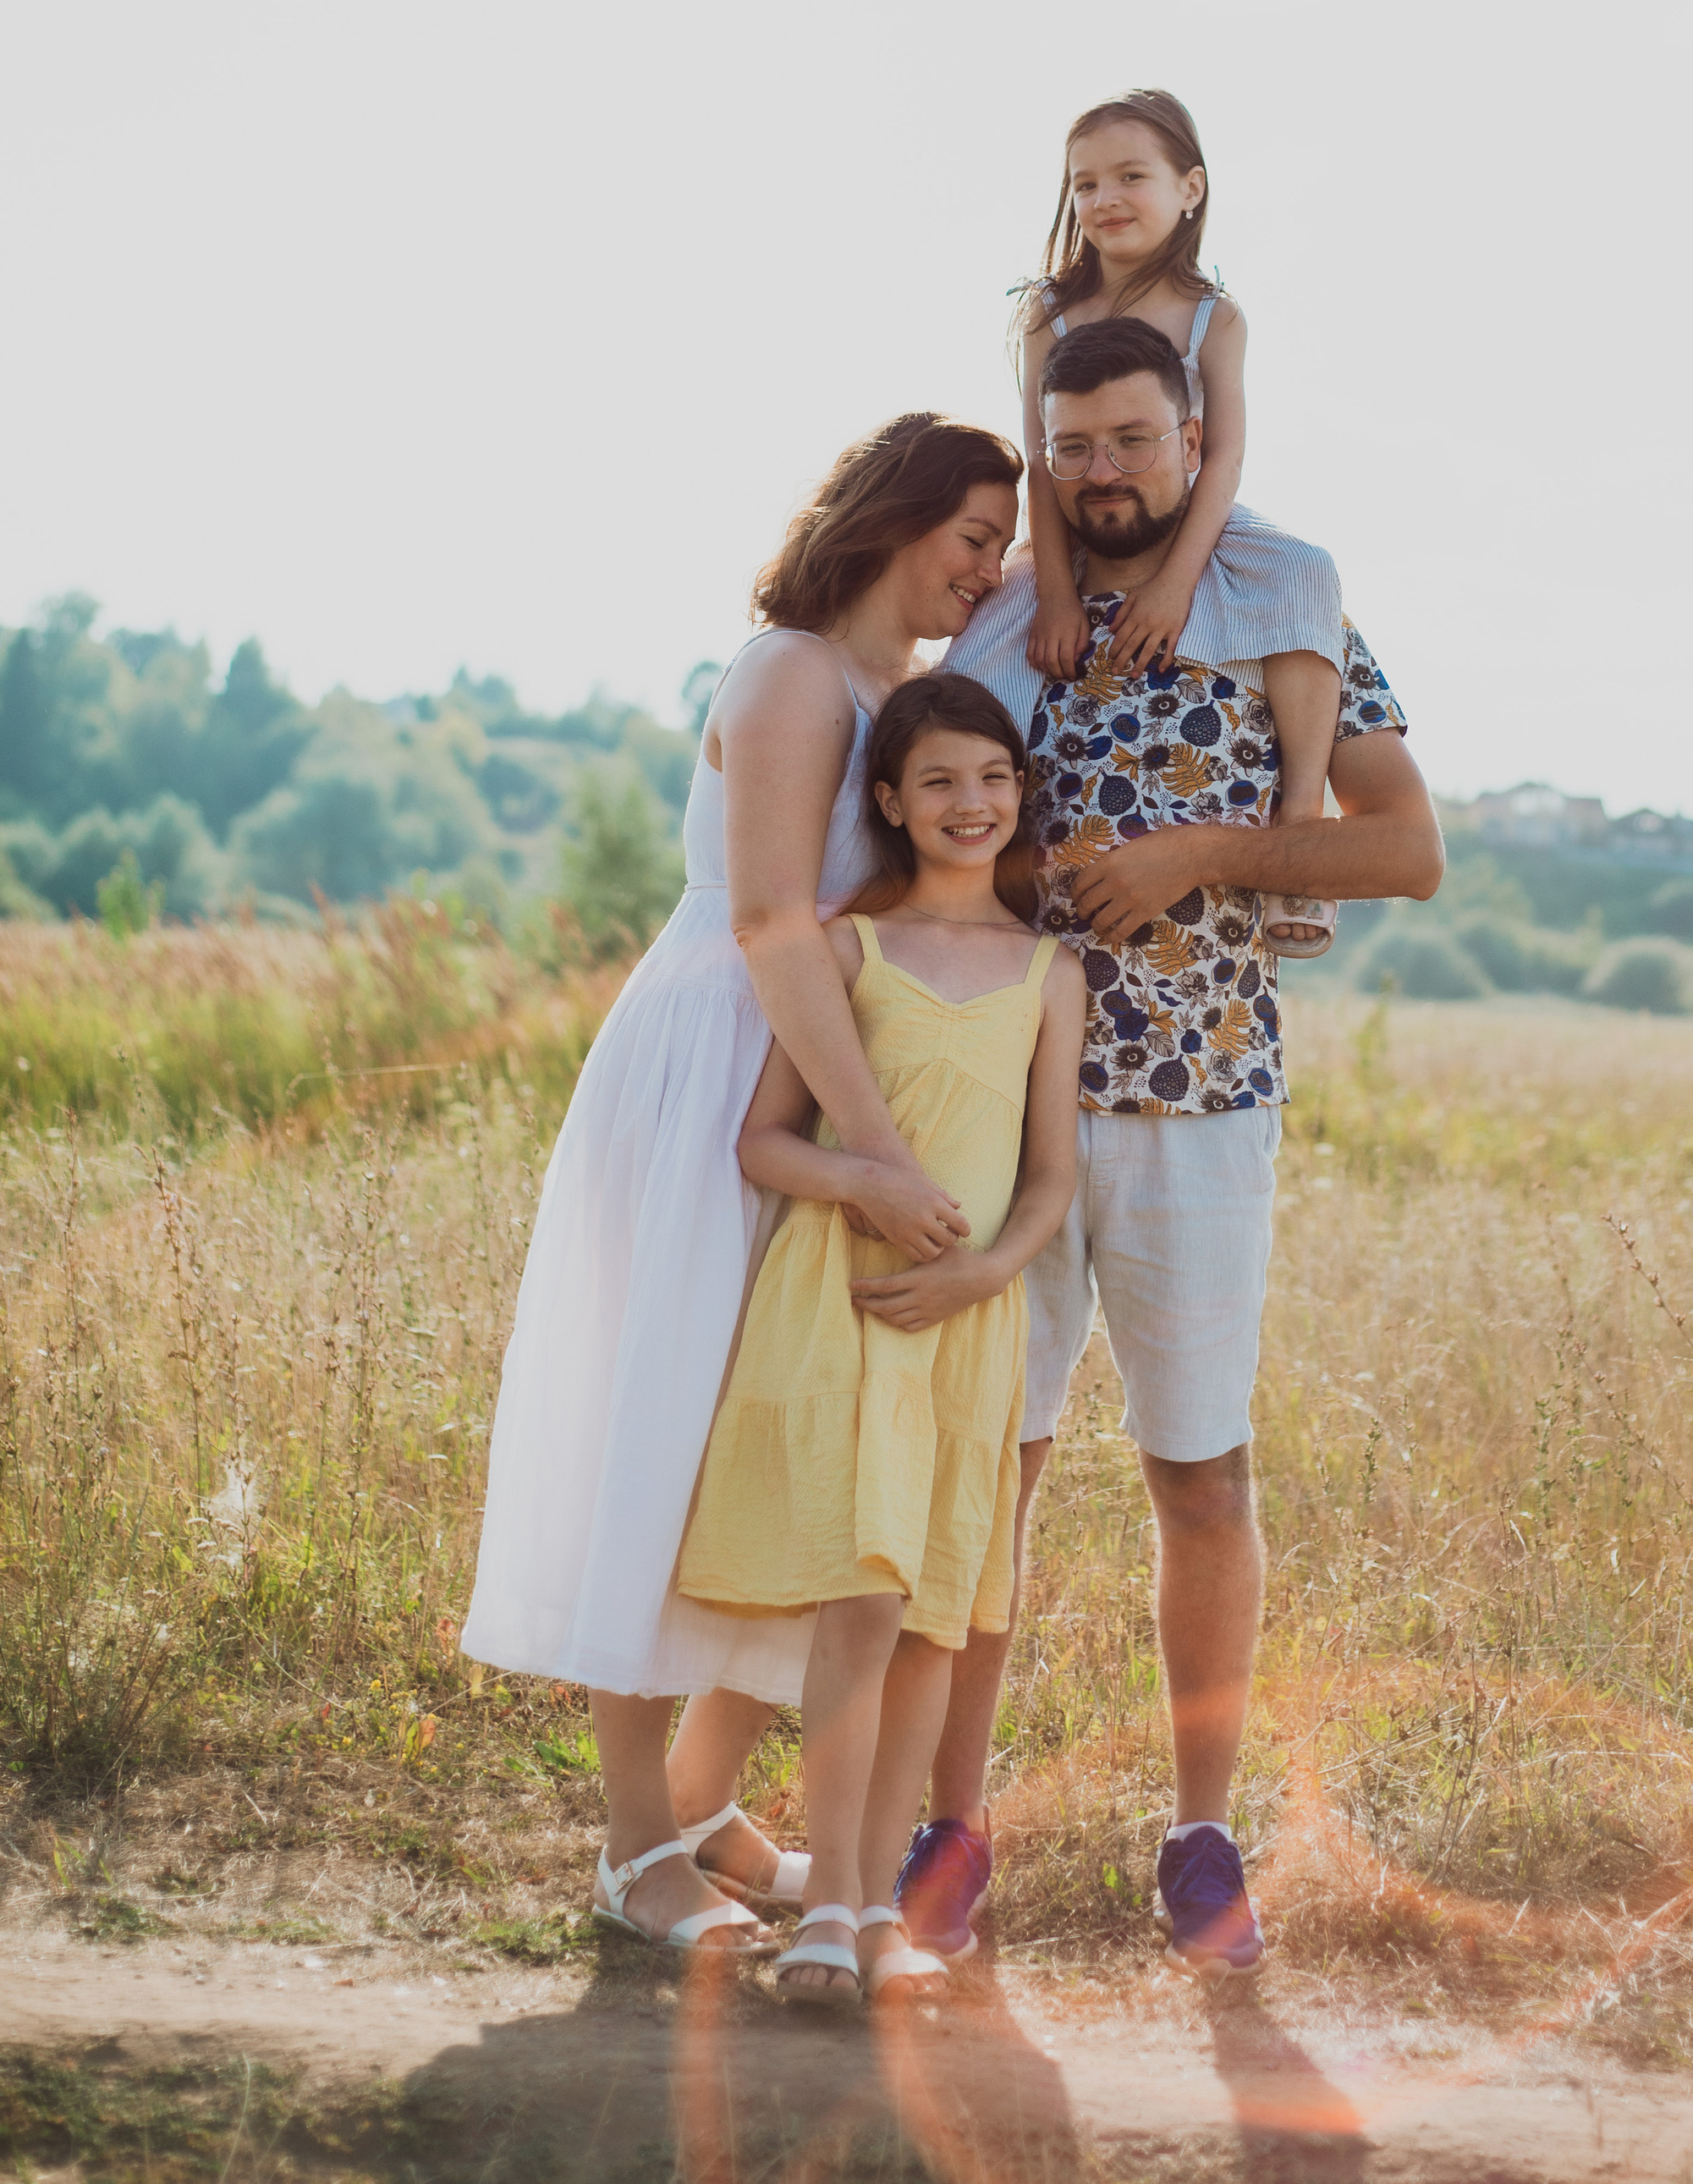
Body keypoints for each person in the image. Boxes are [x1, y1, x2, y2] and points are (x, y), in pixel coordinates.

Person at [919, 312, 1444, 1979]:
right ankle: (947, 1827)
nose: (1102, 472)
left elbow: (1406, 849)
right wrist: (1038, 882)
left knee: (1200, 1477)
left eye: (1133, 439)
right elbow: (917, 822)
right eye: (1073, 445)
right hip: (1004, 1106)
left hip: (1206, 1103)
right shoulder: (1003, 618)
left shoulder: (1279, 602)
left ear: (1193, 437)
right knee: (984, 1471)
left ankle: (1202, 1839)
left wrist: (1198, 853)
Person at [460, 414, 1022, 1952]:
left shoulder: (897, 694)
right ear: (898, 517)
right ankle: (635, 1846)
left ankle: (704, 1809)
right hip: (723, 1060)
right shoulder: (788, 671)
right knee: (665, 1431)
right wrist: (876, 1152)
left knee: (764, 1446)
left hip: (815, 1075)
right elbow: (774, 921)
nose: (988, 570)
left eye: (998, 544)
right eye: (974, 535)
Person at [676, 675, 1083, 2005]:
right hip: (845, 1308)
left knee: (931, 1624)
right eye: (941, 780)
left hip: (965, 1324)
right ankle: (830, 1908)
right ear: (892, 802)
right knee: (859, 1600)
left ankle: (873, 1906)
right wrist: (868, 1184)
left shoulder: (1050, 971)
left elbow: (1051, 1177)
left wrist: (987, 1272)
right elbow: (765, 1140)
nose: (973, 802)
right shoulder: (852, 950)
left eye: (995, 777)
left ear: (1020, 791)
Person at [1014, 87, 1344, 954]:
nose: (1105, 199)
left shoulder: (1213, 317)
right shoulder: (1046, 314)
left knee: (1305, 572)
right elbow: (1042, 459)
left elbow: (1223, 457)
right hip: (1072, 516)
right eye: (1086, 184)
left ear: (1190, 188)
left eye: (1131, 176)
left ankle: (1301, 817)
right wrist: (1056, 594)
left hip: (1193, 519)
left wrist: (1172, 587)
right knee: (979, 653)